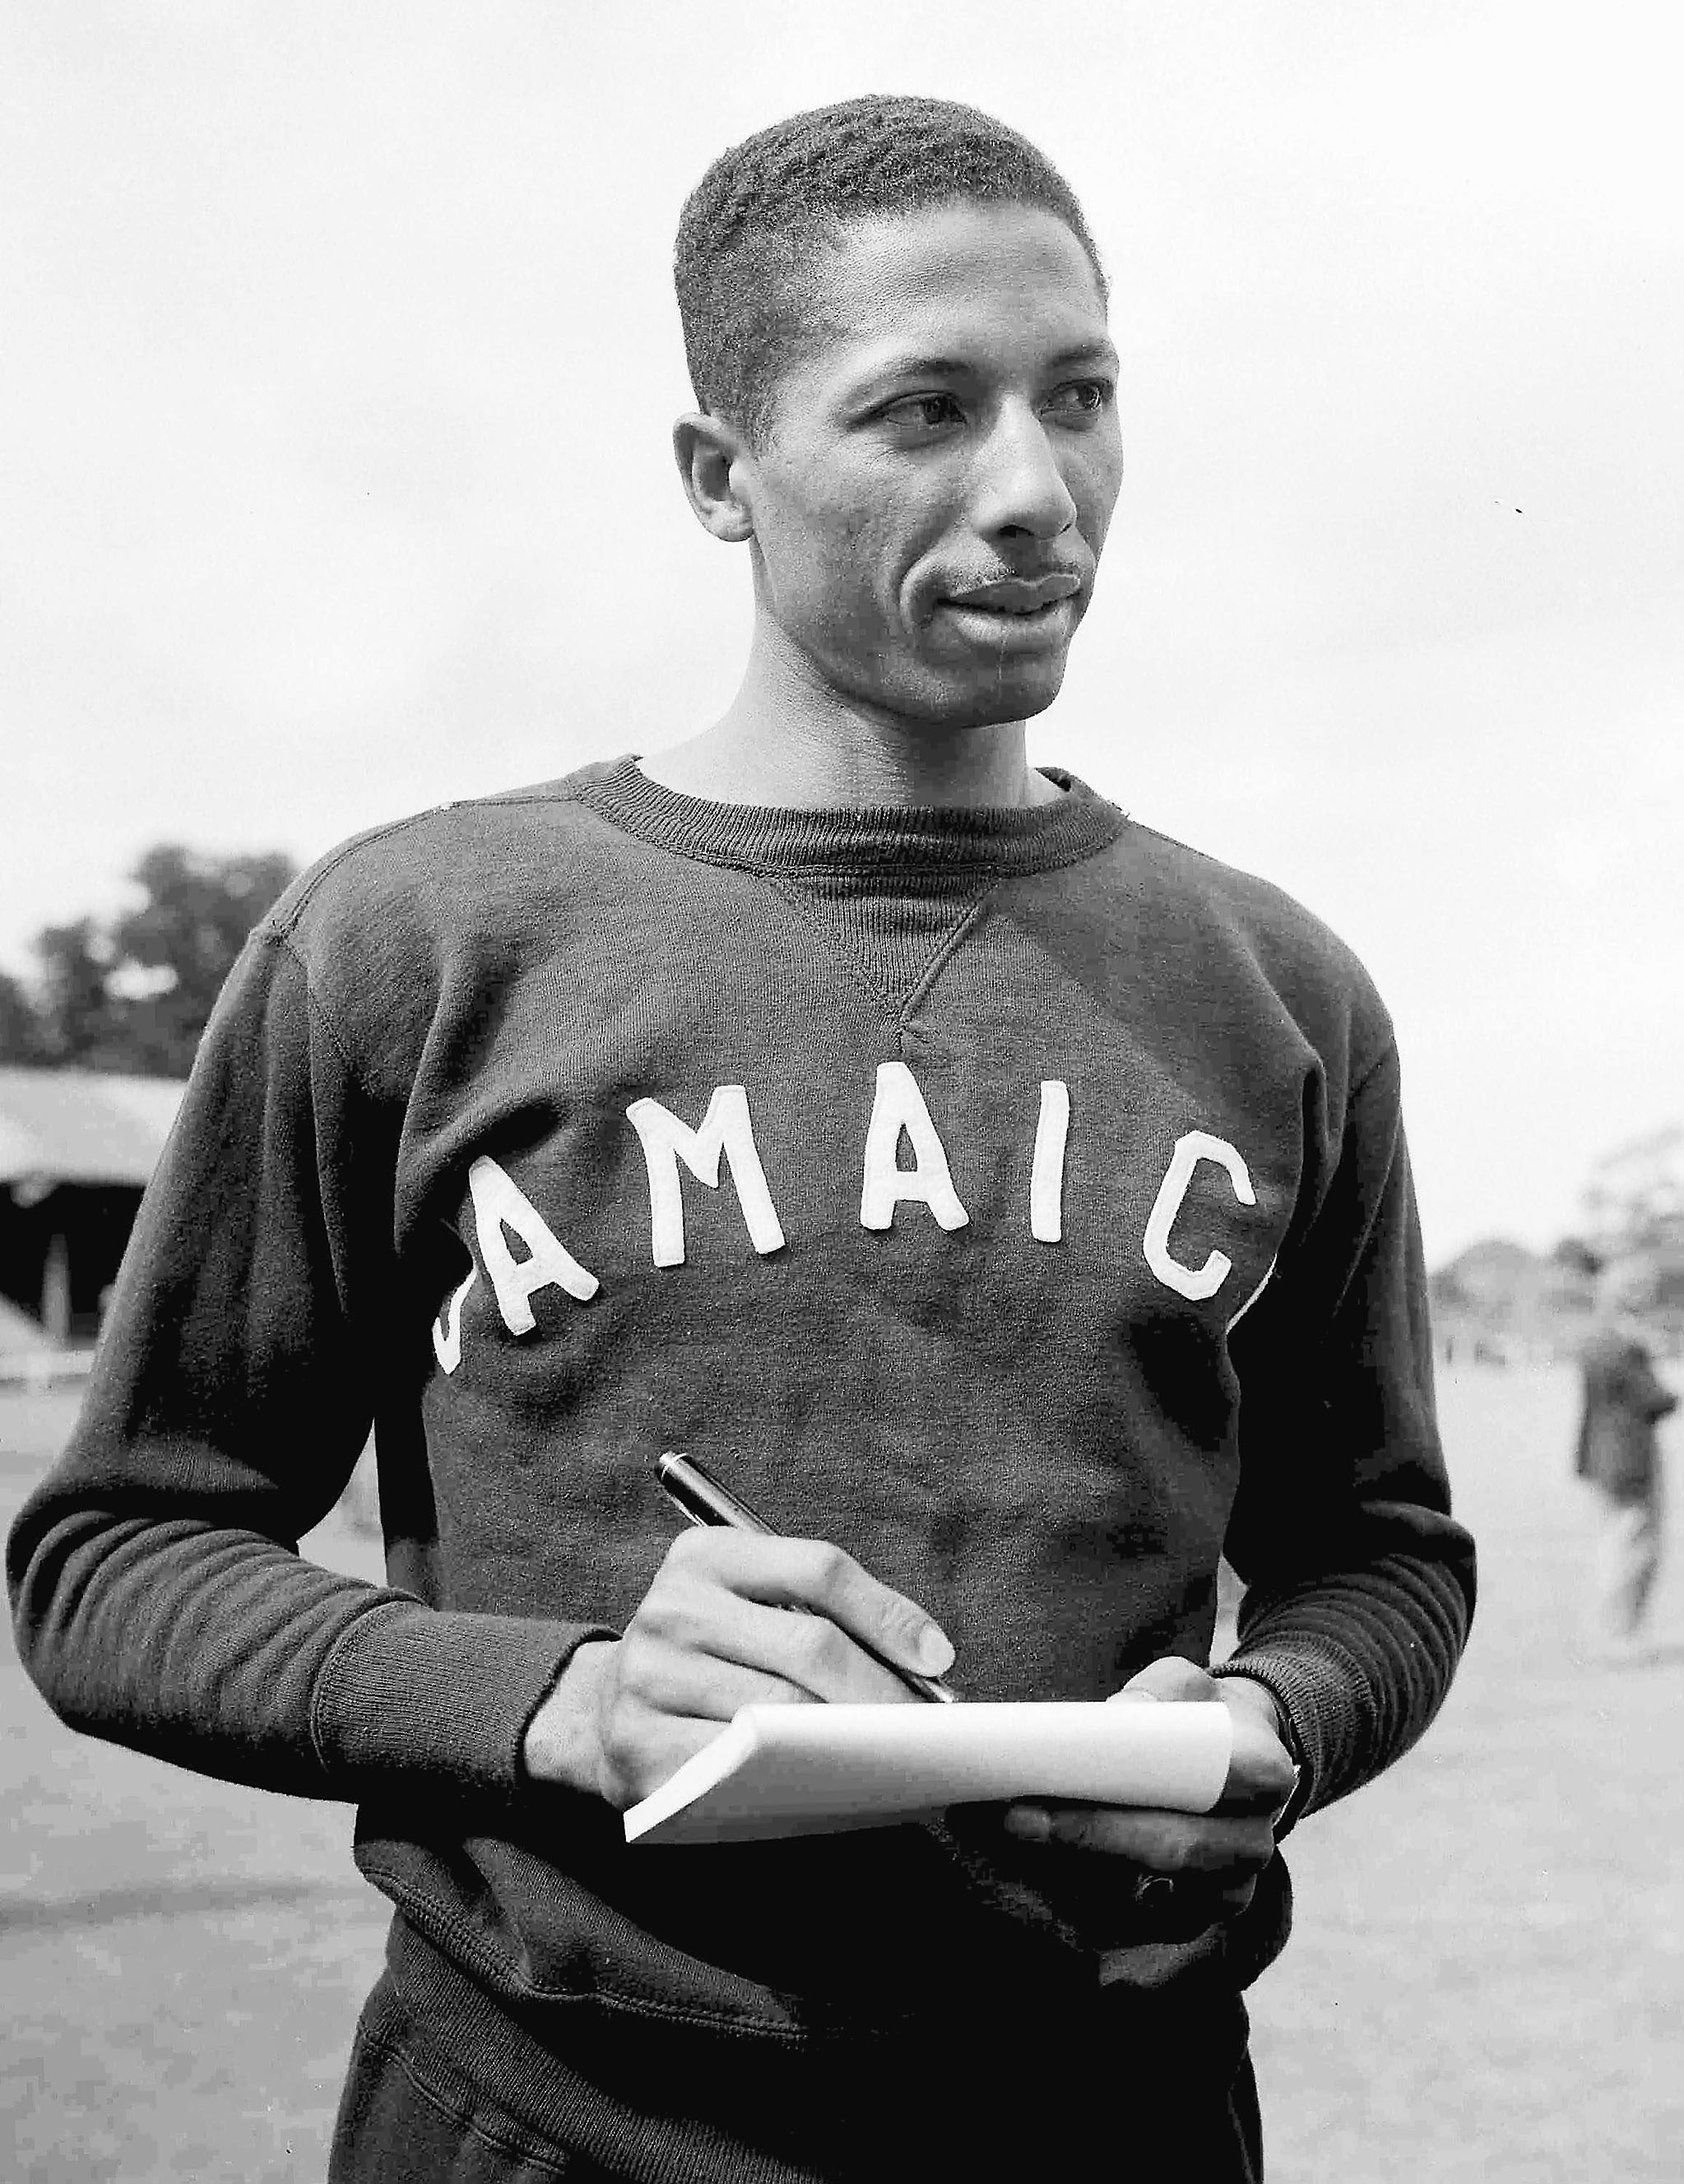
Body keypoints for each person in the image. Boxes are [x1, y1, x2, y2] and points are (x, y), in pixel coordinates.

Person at [7, 95, 1475, 2181]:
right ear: (720, 474)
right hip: (551, 2119)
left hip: (1121, 2117)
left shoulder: (1276, 989)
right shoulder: (418, 939)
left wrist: (1276, 1719)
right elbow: (114, 1563)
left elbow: (1380, 1560)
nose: (1038, 490)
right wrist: (570, 1701)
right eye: (921, 412)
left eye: (1080, 397)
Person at [1575, 1254, 1677, 1662]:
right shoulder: (1627, 1343)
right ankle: (1619, 1636)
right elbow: (1654, 1400)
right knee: (1634, 1545)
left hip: (1601, 1455)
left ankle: (1609, 1633)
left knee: (1614, 1541)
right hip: (1631, 1456)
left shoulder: (1595, 1339)